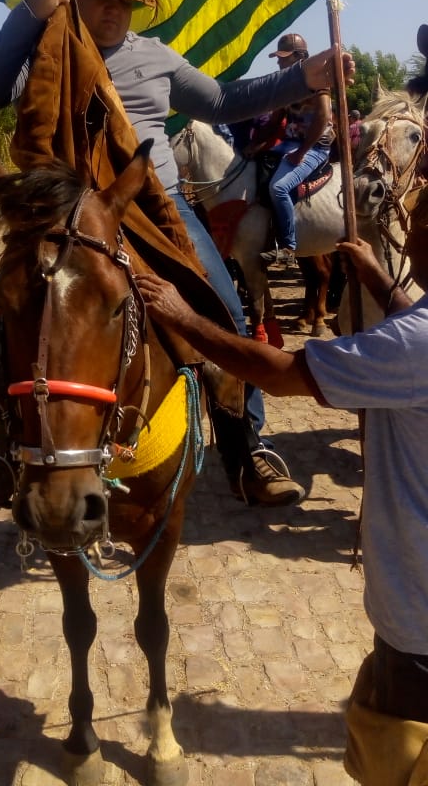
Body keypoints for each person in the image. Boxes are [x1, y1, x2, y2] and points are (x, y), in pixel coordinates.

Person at [0, 0, 355, 510]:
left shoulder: (157, 56)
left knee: (224, 308)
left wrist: (307, 79)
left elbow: (221, 101)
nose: (115, 11)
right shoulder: (39, 46)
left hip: (155, 206)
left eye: (124, 1)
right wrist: (29, 14)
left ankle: (248, 446)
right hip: (64, 213)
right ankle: (6, 449)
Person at [136, 184, 428, 783]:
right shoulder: (415, 337)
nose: (407, 224)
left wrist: (185, 317)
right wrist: (378, 281)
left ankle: (250, 451)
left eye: (417, 218)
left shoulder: (414, 346)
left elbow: (282, 371)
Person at [258, 33, 335, 267]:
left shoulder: (318, 82)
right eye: (279, 58)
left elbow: (323, 118)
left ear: (299, 57)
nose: (279, 62)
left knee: (279, 187)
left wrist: (302, 152)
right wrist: (255, 145)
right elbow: (275, 121)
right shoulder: (285, 85)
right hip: (289, 144)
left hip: (315, 147)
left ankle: (289, 248)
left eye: (284, 57)